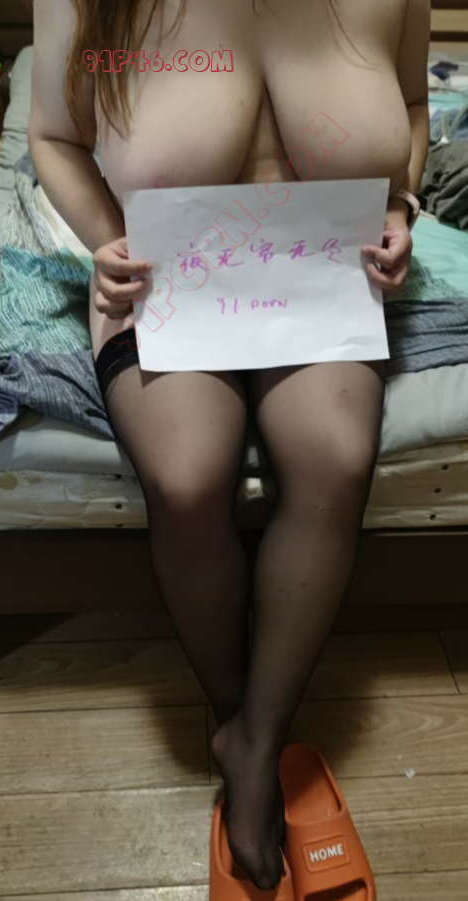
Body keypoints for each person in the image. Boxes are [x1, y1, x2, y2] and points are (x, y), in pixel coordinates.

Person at [29, 0, 430, 890]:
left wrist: (399, 202)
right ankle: (232, 705)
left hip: (320, 283)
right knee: (186, 474)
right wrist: (103, 242)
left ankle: (255, 738)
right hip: (160, 284)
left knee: (333, 458)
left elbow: (411, 105)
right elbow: (52, 137)